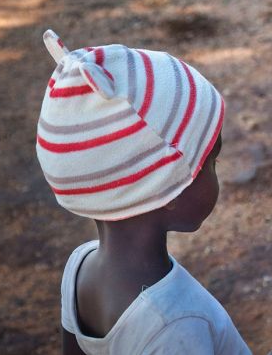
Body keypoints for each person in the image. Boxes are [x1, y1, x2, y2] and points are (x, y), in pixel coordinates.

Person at [34, 29, 251, 355]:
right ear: (171, 188)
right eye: (212, 162)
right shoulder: (175, 324)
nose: (216, 171)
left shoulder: (79, 267)